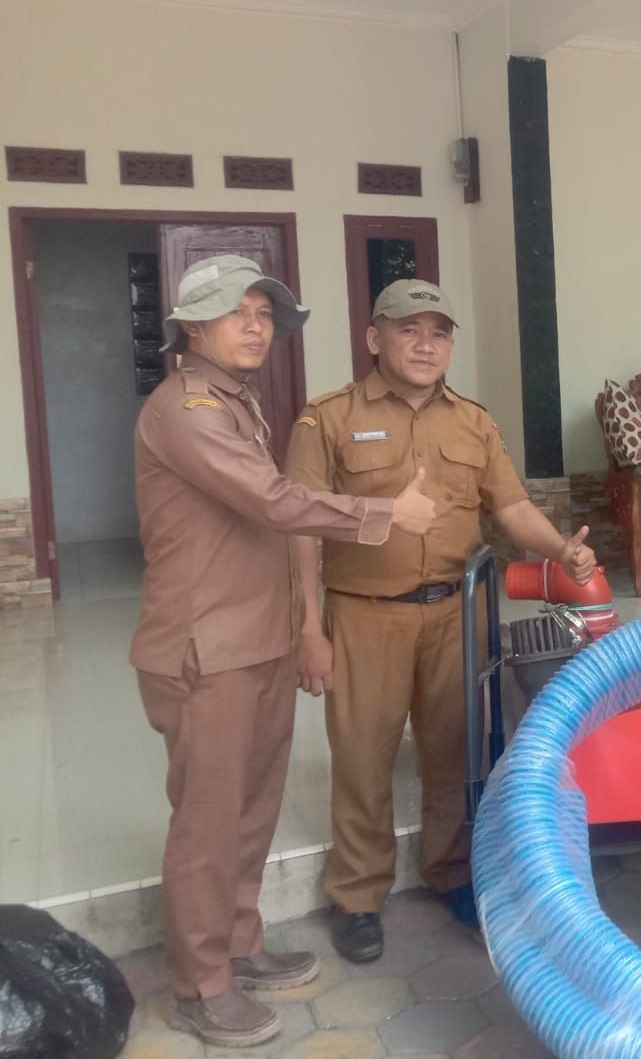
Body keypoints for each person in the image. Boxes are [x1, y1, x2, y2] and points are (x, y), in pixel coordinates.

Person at [131, 256, 437, 1047]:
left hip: (252, 640)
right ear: (192, 325)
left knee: (249, 811)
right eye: (239, 312)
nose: (257, 325)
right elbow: (271, 501)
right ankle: (201, 985)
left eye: (266, 313)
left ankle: (237, 946)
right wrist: (383, 513)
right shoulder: (189, 408)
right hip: (206, 648)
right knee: (207, 824)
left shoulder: (239, 404)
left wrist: (300, 626)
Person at [284, 280, 596, 965]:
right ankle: (359, 897)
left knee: (455, 752)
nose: (426, 345)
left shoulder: (473, 421)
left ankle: (452, 872)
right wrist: (309, 630)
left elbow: (510, 509)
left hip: (456, 613)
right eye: (408, 329)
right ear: (374, 339)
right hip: (365, 617)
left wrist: (560, 550)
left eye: (439, 332)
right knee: (362, 760)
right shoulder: (328, 418)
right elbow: (299, 529)